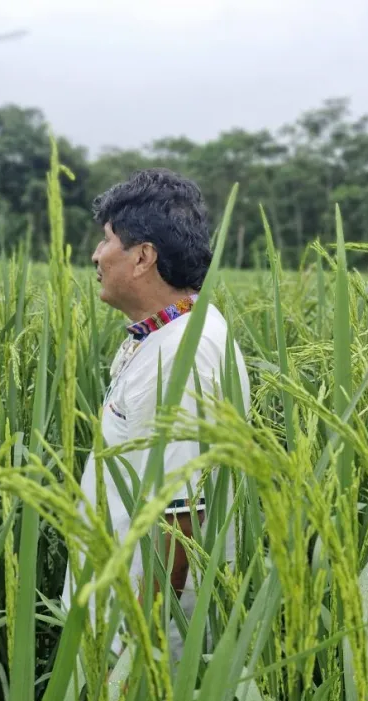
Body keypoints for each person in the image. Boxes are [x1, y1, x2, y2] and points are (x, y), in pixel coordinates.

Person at [61, 168, 251, 663]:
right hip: (111, 613)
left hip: (144, 642)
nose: (96, 256)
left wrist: (137, 663)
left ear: (143, 256)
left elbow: (180, 521)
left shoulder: (184, 357)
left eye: (107, 242)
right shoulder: (166, 334)